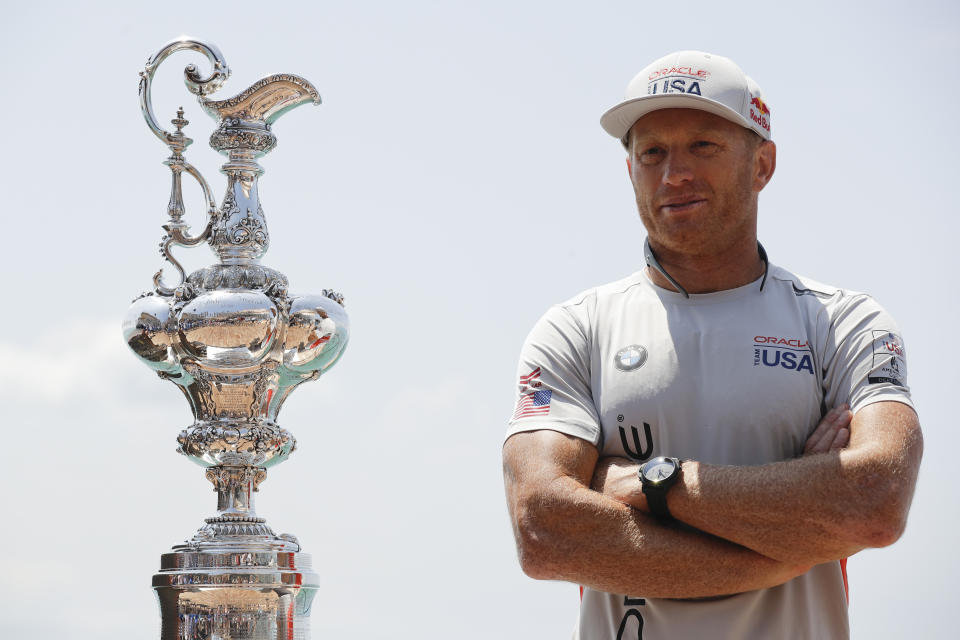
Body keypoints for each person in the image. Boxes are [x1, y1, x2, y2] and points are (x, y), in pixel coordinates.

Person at [502, 50, 922, 640]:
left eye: (704, 146)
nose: (674, 175)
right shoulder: (576, 328)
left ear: (762, 164)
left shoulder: (845, 322)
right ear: (629, 171)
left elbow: (876, 501)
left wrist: (651, 484)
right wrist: (794, 542)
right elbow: (545, 531)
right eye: (652, 153)